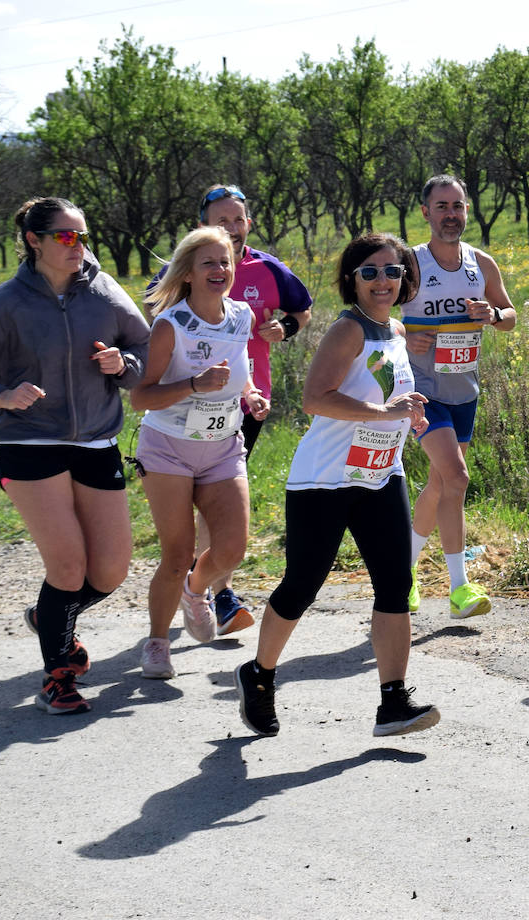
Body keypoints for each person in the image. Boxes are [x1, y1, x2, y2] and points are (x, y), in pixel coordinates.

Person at [235, 232, 439, 738]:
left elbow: (388, 395)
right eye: (370, 271)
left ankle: (393, 702)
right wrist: (381, 411)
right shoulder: (347, 331)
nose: (382, 281)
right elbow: (314, 398)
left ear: (406, 278)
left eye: (393, 271)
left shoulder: (394, 329)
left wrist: (407, 416)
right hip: (324, 480)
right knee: (302, 585)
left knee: (396, 584)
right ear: (352, 279)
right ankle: (258, 675)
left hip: (380, 474)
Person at [0, 197, 150, 714]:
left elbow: (147, 351)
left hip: (95, 440)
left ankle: (51, 616)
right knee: (66, 566)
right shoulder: (7, 302)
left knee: (109, 571)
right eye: (65, 236)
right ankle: (58, 676)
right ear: (34, 241)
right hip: (28, 442)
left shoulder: (103, 289)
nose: (77, 246)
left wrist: (122, 363)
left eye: (83, 236)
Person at [166, 184, 313, 634]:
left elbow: (302, 311)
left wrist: (282, 328)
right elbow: (157, 320)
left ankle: (216, 593)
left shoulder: (268, 269)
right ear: (203, 225)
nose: (230, 228)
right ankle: (191, 580)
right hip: (182, 405)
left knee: (219, 501)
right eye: (220, 220)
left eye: (238, 219)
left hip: (245, 402)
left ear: (249, 223)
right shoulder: (187, 268)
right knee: (197, 504)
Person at [132, 226, 270, 680]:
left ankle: (197, 590)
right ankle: (156, 643)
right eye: (208, 262)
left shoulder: (242, 316)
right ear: (187, 272)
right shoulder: (171, 324)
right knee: (176, 554)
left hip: (223, 446)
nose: (220, 270)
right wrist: (192, 384)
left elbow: (241, 374)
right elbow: (141, 398)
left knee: (231, 551)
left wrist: (250, 395)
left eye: (226, 261)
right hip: (168, 449)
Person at [403, 175, 517, 619]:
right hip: (421, 391)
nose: (451, 215)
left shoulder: (481, 263)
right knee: (457, 477)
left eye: (458, 206)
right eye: (442, 206)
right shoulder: (409, 264)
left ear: (467, 210)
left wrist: (492, 315)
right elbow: (376, 316)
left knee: (440, 483)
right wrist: (405, 336)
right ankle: (459, 588)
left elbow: (510, 316)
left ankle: (404, 571)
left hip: (463, 389)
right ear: (426, 212)